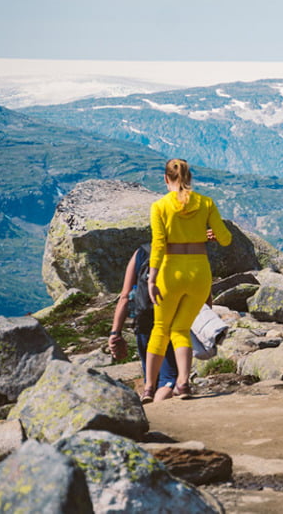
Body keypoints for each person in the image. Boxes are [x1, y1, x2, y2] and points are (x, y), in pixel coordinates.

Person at [142, 159, 232, 404]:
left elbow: (159, 245)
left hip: (170, 272)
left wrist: (152, 278)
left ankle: (149, 388)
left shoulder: (159, 206)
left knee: (160, 329)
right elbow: (225, 239)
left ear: (165, 179)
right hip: (199, 272)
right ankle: (183, 383)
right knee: (180, 328)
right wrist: (208, 235)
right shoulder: (206, 203)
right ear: (190, 177)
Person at [107, 245, 178, 402]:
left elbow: (125, 296)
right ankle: (162, 414)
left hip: (143, 323)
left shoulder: (142, 252)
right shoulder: (184, 247)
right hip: (171, 322)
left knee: (151, 382)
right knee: (168, 380)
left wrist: (115, 333)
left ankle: (148, 405)